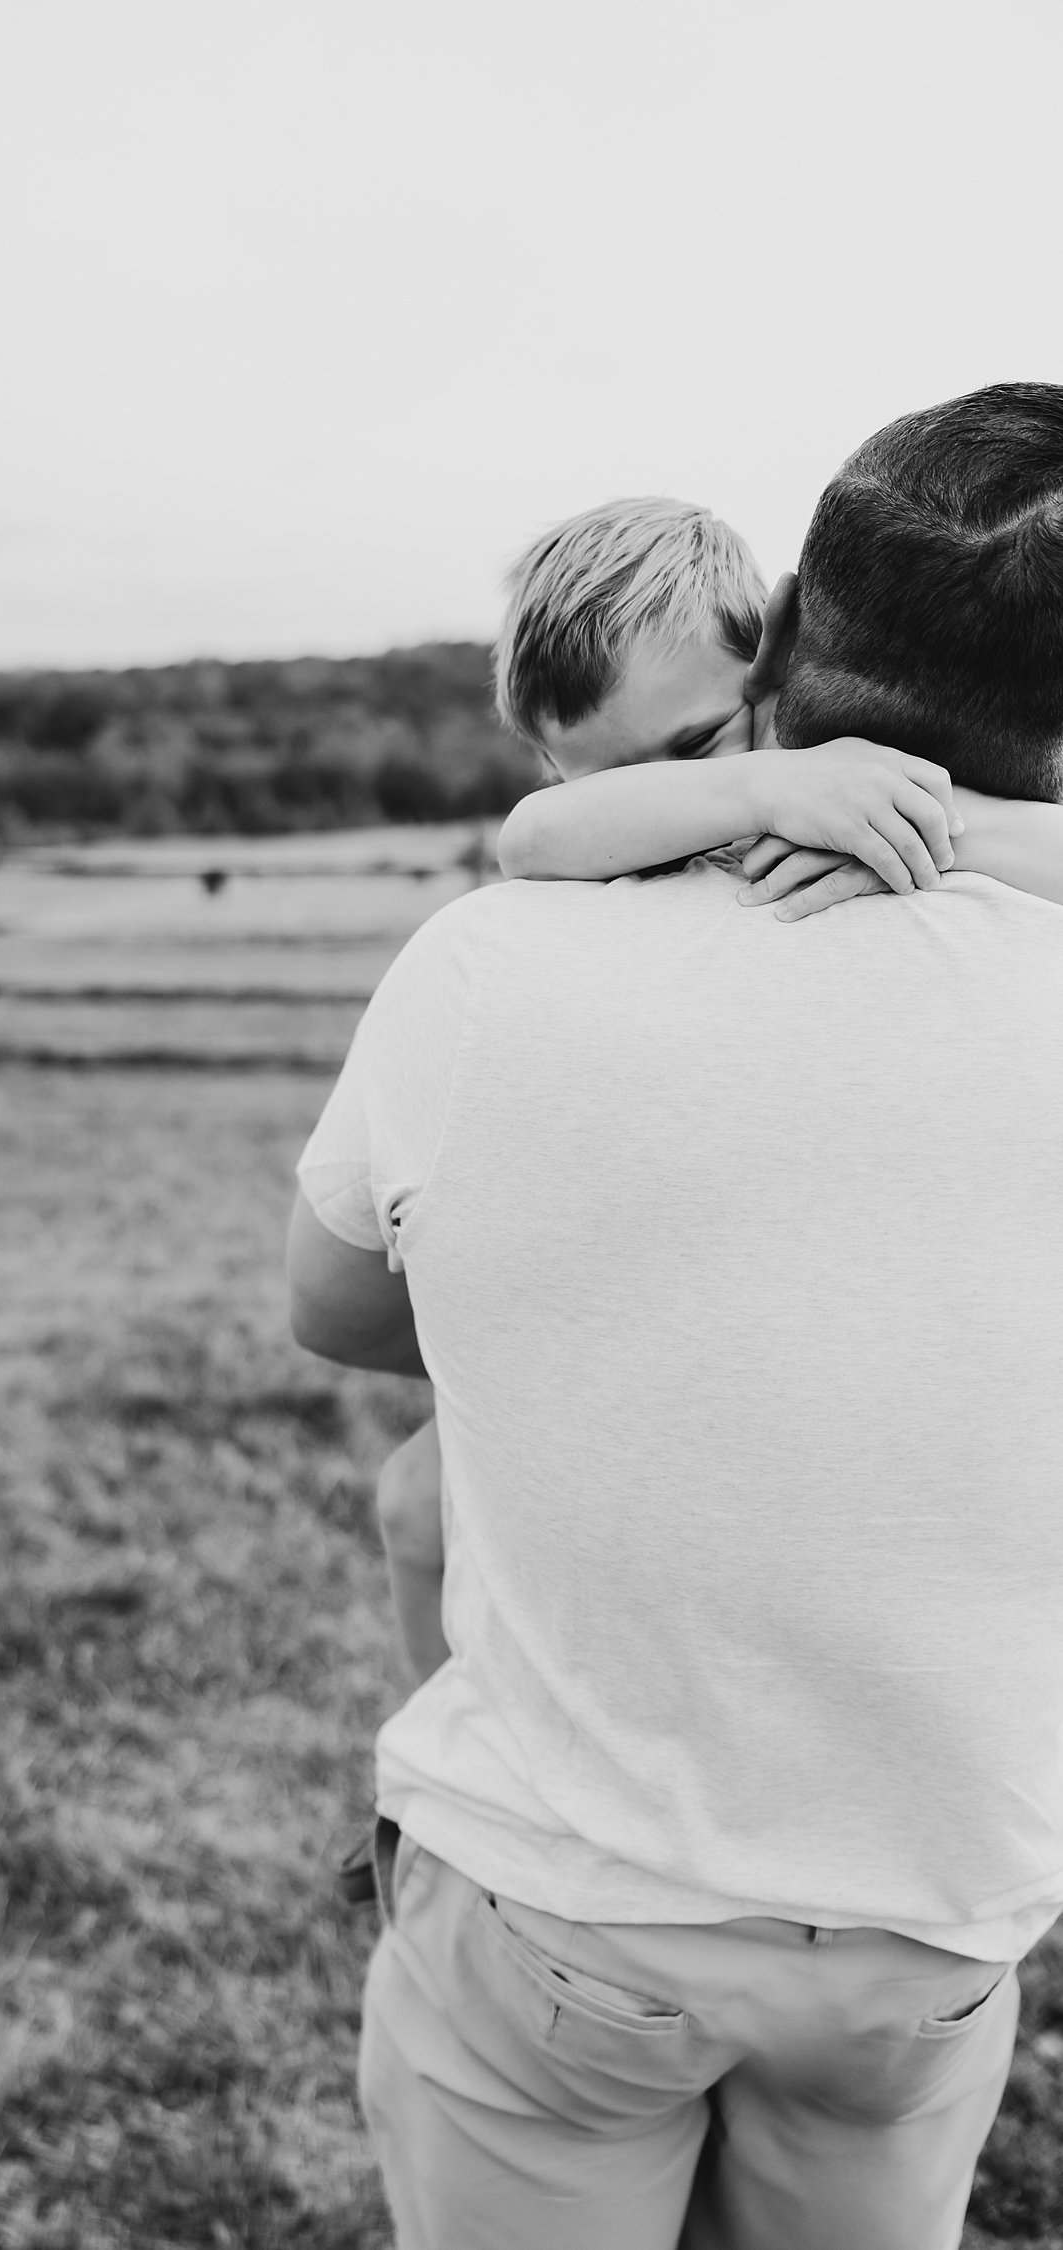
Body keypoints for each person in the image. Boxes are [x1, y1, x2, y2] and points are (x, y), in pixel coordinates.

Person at [288, 382, 1063, 2249]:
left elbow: (332, 1311)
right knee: (420, 1510)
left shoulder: (492, 976)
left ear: (791, 643)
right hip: (926, 1910)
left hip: (572, 1905)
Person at [373, 495, 1063, 1698]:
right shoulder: (695, 810)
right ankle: (442, 1723)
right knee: (415, 1501)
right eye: (616, 780)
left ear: (775, 656)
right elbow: (533, 840)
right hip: (625, 1312)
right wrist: (749, 794)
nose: (668, 810)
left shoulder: (871, 769)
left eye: (701, 747)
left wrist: (924, 826)